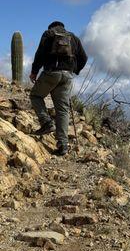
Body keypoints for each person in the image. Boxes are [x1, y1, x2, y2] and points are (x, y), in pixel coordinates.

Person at [29, 21, 88, 156]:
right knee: (62, 110)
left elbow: (40, 54)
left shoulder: (48, 34)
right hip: (67, 76)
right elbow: (84, 58)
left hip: (51, 73)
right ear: (63, 27)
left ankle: (47, 123)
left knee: (35, 96)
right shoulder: (73, 37)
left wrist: (34, 72)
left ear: (51, 27)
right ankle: (63, 145)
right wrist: (74, 70)